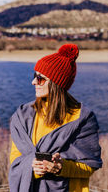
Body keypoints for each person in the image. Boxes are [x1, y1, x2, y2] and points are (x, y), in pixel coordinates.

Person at [9, 44, 102, 192]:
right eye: (35, 76)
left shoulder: (82, 118)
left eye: (40, 78)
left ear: (56, 83)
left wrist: (60, 168)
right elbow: (15, 158)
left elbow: (90, 165)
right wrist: (32, 167)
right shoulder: (23, 115)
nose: (33, 82)